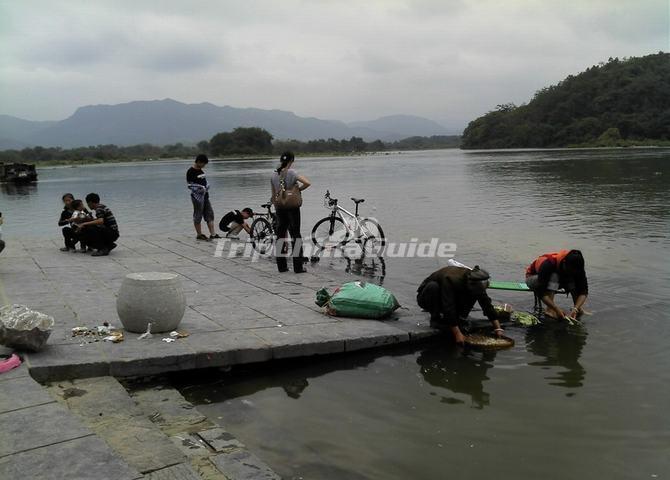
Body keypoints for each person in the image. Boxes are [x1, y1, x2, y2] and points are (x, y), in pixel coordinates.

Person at [416, 265, 504, 345]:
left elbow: (486, 304)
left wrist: (498, 328)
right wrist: (457, 334)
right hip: (428, 297)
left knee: (474, 294)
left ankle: (460, 317)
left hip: (452, 294)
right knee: (433, 287)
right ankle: (435, 319)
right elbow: (448, 306)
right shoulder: (451, 278)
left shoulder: (477, 283)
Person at [270, 151, 311, 273]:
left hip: (279, 207)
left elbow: (273, 196)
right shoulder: (292, 173)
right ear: (291, 160)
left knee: (280, 235)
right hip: (292, 208)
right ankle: (298, 267)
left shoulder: (273, 175)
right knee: (295, 235)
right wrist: (298, 189)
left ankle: (281, 267)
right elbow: (307, 183)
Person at [525, 249, 588, 320]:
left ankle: (577, 309)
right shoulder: (549, 264)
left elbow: (584, 291)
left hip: (555, 281)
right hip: (533, 278)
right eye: (569, 270)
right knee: (555, 276)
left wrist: (576, 308)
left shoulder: (578, 267)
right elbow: (541, 292)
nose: (571, 272)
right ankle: (549, 310)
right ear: (564, 263)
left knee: (572, 279)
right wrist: (556, 309)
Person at [187, 154, 219, 241]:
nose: (204, 166)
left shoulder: (201, 171)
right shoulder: (191, 171)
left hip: (205, 196)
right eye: (203, 164)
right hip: (197, 198)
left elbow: (204, 181)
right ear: (198, 162)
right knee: (198, 215)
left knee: (210, 214)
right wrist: (201, 188)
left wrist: (207, 186)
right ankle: (199, 234)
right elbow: (190, 185)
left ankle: (213, 234)